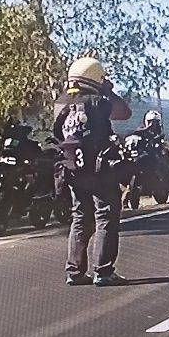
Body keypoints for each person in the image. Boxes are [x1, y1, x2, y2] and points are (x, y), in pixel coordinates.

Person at [53, 56, 131, 287]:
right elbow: (123, 113)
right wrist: (109, 92)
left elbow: (57, 135)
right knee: (105, 215)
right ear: (97, 78)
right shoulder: (98, 101)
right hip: (99, 169)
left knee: (80, 217)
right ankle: (103, 271)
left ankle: (74, 272)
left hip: (72, 169)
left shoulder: (61, 103)